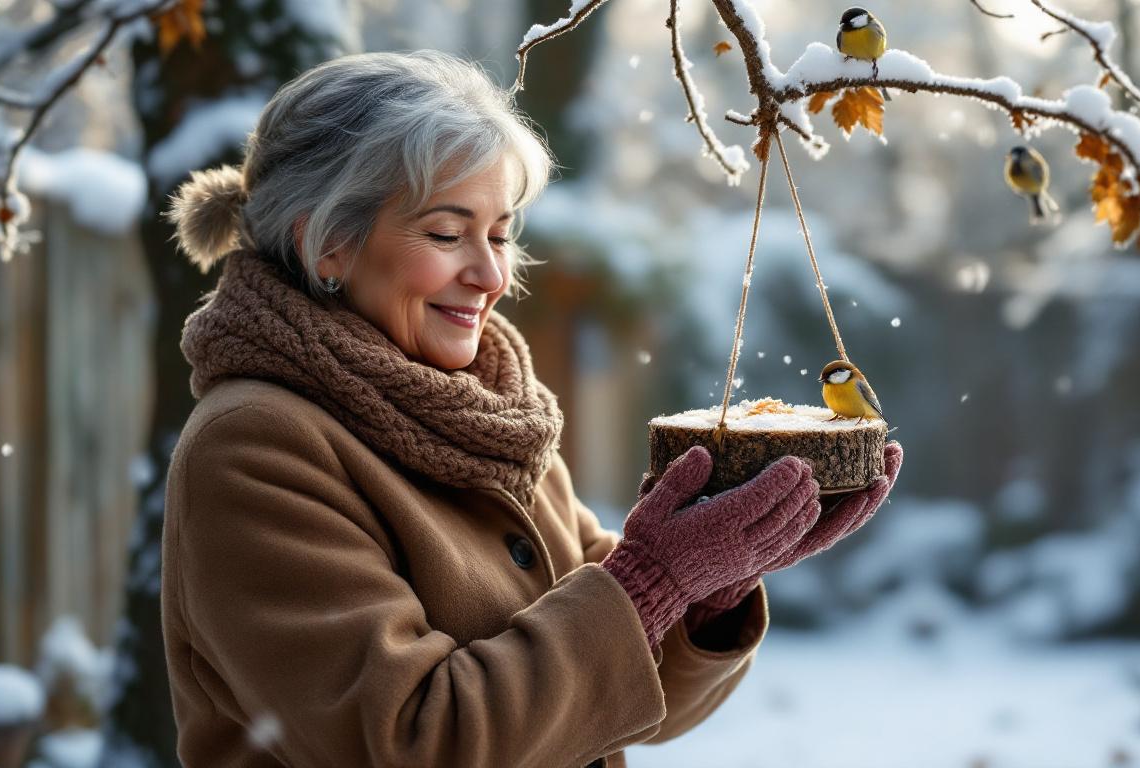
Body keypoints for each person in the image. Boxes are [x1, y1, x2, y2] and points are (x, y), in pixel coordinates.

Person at [160, 50, 904, 768]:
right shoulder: (255, 446)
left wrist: (715, 586)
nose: (489, 274)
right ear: (326, 245)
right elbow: (411, 743)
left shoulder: (492, 416)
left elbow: (625, 704)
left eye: (500, 234)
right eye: (447, 234)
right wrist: (652, 581)